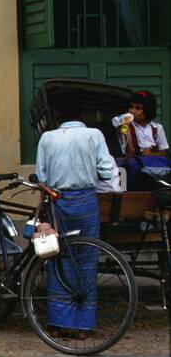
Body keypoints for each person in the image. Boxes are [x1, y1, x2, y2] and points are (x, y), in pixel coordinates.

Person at [35, 92, 118, 337]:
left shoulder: (47, 138)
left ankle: (58, 322)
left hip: (57, 202)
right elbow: (106, 170)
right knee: (86, 259)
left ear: (57, 114)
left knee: (57, 258)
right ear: (81, 114)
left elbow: (42, 177)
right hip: (85, 202)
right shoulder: (94, 135)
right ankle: (83, 326)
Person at [112, 90, 167, 157]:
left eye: (138, 108)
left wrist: (151, 154)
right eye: (131, 107)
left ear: (148, 110)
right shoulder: (125, 126)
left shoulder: (157, 128)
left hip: (154, 164)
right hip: (135, 164)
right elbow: (128, 154)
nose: (132, 111)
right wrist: (126, 134)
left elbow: (164, 153)